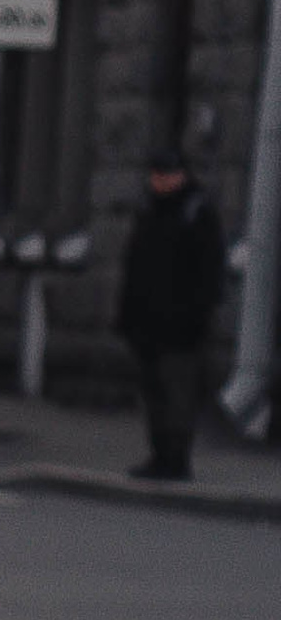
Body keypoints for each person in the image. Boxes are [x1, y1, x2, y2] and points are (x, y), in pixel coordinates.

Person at [116, 148, 227, 482]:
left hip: (182, 326)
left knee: (177, 392)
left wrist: (196, 316)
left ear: (181, 175)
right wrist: (126, 316)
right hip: (147, 323)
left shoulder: (196, 212)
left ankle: (177, 460)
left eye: (167, 175)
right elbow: (133, 267)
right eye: (157, 175)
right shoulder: (149, 210)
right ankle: (159, 455)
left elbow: (209, 272)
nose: (161, 181)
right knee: (154, 393)